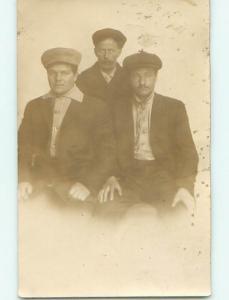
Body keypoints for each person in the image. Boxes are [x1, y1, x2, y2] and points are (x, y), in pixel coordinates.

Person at [98, 51, 199, 215]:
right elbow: (106, 147)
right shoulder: (116, 108)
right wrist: (110, 176)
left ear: (156, 77)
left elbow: (188, 152)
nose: (142, 82)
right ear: (129, 78)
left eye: (148, 76)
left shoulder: (174, 108)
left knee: (178, 212)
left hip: (164, 176)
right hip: (127, 176)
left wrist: (184, 187)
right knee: (105, 211)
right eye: (137, 76)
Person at [18, 47, 115, 203]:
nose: (58, 78)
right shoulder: (35, 106)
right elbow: (23, 146)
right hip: (39, 182)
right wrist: (23, 178)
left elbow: (107, 154)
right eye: (52, 73)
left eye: (65, 73)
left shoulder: (96, 107)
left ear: (76, 75)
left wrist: (88, 184)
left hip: (77, 185)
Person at [76, 28, 129, 108]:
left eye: (111, 51)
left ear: (119, 52)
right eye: (102, 50)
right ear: (95, 51)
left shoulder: (129, 77)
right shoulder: (83, 79)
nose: (106, 56)